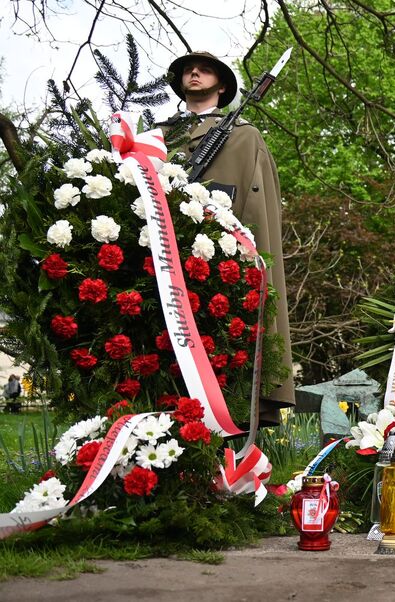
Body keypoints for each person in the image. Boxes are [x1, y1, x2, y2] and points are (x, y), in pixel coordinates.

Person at [156, 51, 294, 426]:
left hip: (221, 267)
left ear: (222, 84)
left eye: (204, 69)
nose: (194, 72)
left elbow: (257, 210)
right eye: (188, 69)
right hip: (162, 263)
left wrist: (248, 263)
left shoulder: (243, 136)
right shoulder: (158, 135)